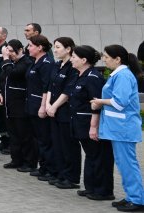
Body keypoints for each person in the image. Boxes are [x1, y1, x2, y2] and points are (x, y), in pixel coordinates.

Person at [92, 44, 144, 211]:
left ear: (117, 59)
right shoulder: (119, 75)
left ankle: (137, 200)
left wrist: (100, 102)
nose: (104, 60)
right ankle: (131, 196)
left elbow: (120, 102)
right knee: (123, 164)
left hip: (123, 128)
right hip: (119, 128)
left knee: (128, 164)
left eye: (107, 57)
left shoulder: (123, 76)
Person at [68, 45, 113, 201]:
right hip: (80, 122)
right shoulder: (80, 75)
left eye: (74, 57)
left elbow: (96, 104)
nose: (71, 59)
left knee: (99, 156)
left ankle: (103, 191)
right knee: (91, 155)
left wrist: (94, 127)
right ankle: (91, 187)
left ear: (84, 60)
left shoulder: (93, 77)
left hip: (90, 123)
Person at [45, 37, 80, 189]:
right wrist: (47, 104)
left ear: (68, 49)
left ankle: (71, 177)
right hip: (53, 110)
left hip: (65, 111)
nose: (55, 50)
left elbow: (68, 91)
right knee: (57, 144)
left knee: (68, 145)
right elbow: (50, 86)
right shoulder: (57, 65)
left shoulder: (73, 67)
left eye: (58, 47)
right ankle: (61, 174)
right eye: (54, 47)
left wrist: (54, 106)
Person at [0, 40, 36, 170]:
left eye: (11, 51)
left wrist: (5, 59)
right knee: (13, 135)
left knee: (24, 135)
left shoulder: (26, 62)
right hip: (9, 105)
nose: (9, 54)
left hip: (20, 105)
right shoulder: (10, 63)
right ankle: (16, 160)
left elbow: (13, 74)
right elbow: (2, 79)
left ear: (20, 50)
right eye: (7, 51)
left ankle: (29, 162)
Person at [26, 35, 57, 180]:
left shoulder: (47, 63)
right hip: (32, 103)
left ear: (40, 47)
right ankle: (43, 166)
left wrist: (43, 106)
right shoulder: (35, 62)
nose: (28, 48)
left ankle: (50, 169)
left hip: (40, 104)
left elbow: (46, 87)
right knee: (38, 138)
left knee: (45, 139)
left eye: (31, 45)